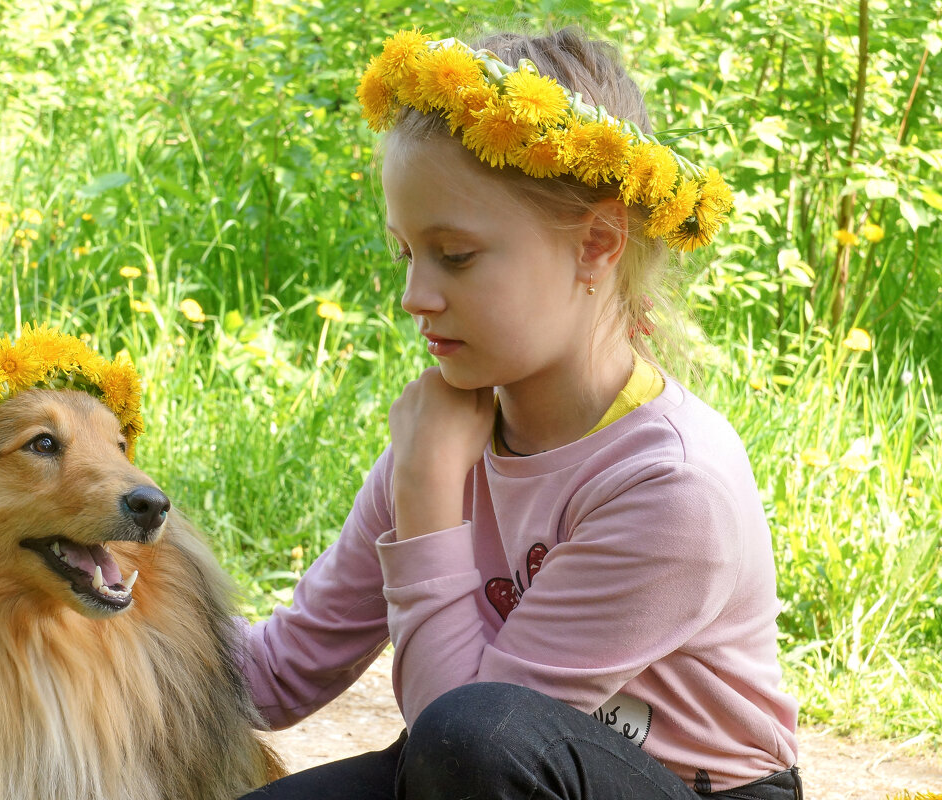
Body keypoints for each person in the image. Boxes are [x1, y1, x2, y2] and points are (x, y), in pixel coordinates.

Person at [237, 26, 800, 800]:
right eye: (406, 253)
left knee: (474, 739)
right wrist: (75, 612)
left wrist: (431, 494)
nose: (414, 297)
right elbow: (277, 674)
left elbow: (459, 739)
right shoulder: (449, 439)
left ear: (596, 243)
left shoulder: (671, 480)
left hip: (686, 789)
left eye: (456, 256)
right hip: (482, 762)